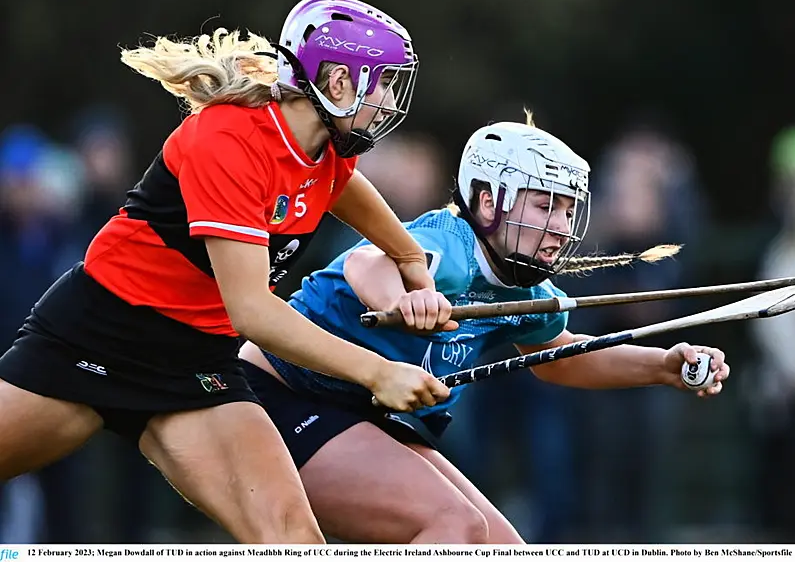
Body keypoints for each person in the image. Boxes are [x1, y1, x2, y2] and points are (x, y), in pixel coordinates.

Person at [0, 0, 451, 544]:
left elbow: (338, 187)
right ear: (337, 83)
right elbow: (253, 310)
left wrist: (408, 258)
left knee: (292, 541)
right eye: (379, 83)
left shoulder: (327, 149)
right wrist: (377, 371)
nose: (385, 100)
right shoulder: (229, 139)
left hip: (196, 364)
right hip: (97, 336)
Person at [240, 112, 731, 544]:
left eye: (566, 209)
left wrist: (664, 365)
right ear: (489, 203)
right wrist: (409, 297)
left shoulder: (527, 292)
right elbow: (367, 264)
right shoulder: (448, 245)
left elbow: (562, 359)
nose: (560, 225)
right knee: (453, 525)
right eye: (544, 205)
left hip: (363, 413)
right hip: (284, 394)